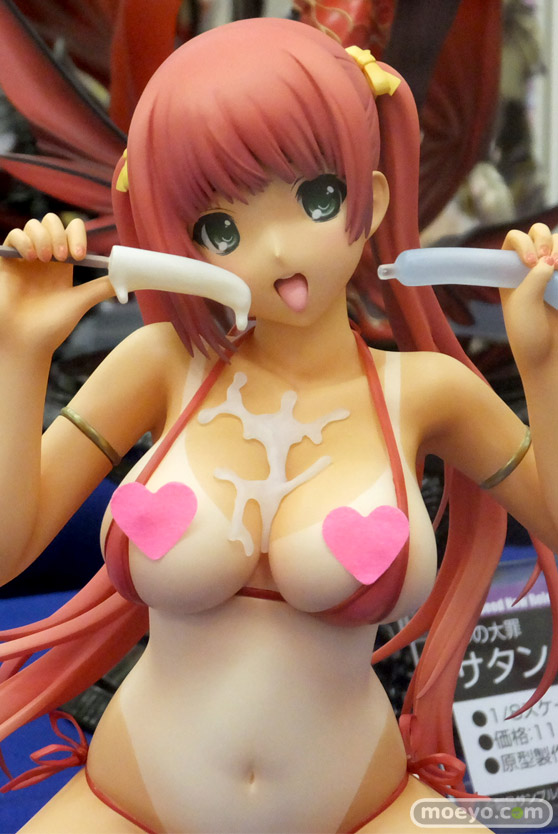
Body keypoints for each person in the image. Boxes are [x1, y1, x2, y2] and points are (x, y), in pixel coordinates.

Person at [1, 16, 557, 834]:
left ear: (370, 199)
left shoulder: (424, 391)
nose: (275, 250)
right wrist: (17, 353)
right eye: (220, 229)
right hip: (131, 806)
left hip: (365, 812)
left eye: (315, 198)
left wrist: (545, 363)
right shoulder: (161, 364)